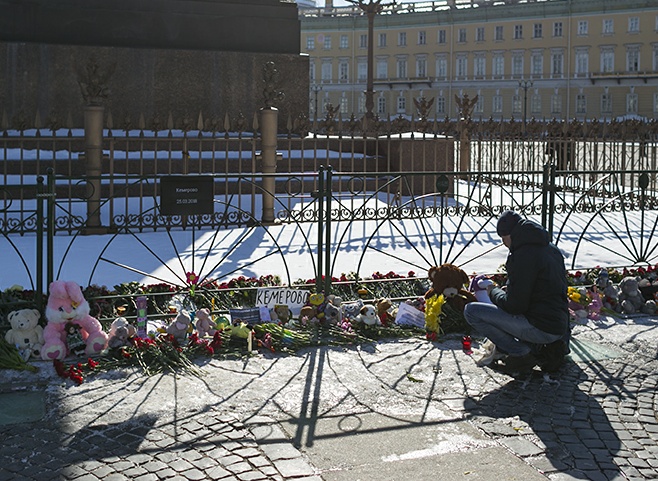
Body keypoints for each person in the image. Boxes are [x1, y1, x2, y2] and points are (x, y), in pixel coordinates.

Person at [464, 210, 570, 374]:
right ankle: (540, 348)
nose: (504, 243)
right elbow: (550, 291)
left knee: (471, 311)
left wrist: (493, 290)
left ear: (510, 235)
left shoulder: (522, 256)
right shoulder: (551, 249)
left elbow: (514, 306)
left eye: (503, 238)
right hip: (559, 326)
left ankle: (520, 352)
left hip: (540, 327)